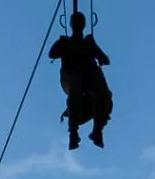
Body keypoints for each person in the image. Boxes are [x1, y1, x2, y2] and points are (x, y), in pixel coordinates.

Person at [48, 11, 113, 150]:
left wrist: (95, 52)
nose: (78, 25)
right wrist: (65, 47)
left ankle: (97, 131)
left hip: (88, 79)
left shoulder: (88, 43)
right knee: (76, 85)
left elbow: (105, 60)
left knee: (102, 92)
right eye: (76, 22)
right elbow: (52, 53)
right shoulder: (65, 42)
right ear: (71, 24)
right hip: (70, 79)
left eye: (80, 22)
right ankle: (73, 132)